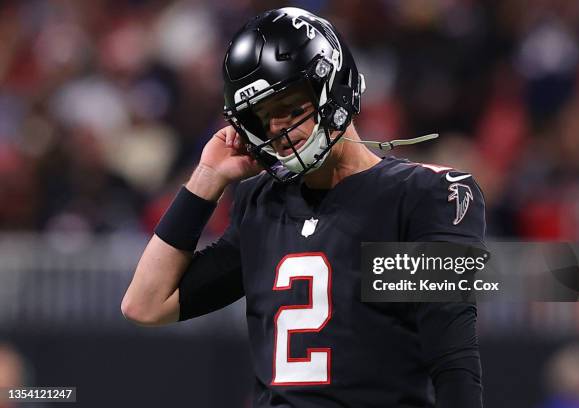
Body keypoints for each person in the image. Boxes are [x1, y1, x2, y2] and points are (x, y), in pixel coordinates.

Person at [122, 7, 485, 408]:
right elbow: (146, 303)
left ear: (335, 85)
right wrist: (208, 177)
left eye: (290, 107)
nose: (277, 129)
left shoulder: (423, 194)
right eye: (262, 118)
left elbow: (451, 358)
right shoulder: (262, 203)